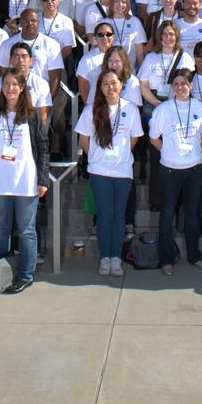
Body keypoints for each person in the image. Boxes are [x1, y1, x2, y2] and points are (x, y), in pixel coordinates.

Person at [0, 68, 50, 294]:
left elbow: (43, 147)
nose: (10, 88)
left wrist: (42, 179)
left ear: (22, 88)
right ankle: (2, 274)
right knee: (0, 231)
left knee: (26, 231)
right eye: (6, 84)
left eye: (14, 84)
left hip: (26, 182)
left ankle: (25, 275)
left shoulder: (32, 114)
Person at [148, 68, 202, 275]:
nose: (180, 88)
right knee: (167, 214)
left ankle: (194, 256)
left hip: (194, 169)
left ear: (191, 86)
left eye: (184, 84)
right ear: (172, 87)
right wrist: (168, 151)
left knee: (192, 214)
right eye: (176, 84)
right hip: (169, 170)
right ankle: (166, 259)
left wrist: (190, 149)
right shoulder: (163, 109)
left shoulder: (200, 107)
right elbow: (153, 137)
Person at [77, 69, 145, 277]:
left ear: (121, 85)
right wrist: (95, 157)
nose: (110, 87)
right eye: (105, 84)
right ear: (100, 87)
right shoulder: (91, 110)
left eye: (114, 83)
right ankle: (104, 257)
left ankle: (116, 257)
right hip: (99, 170)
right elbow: (84, 139)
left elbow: (134, 138)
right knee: (105, 215)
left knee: (119, 215)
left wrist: (120, 156)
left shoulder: (131, 109)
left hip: (122, 171)